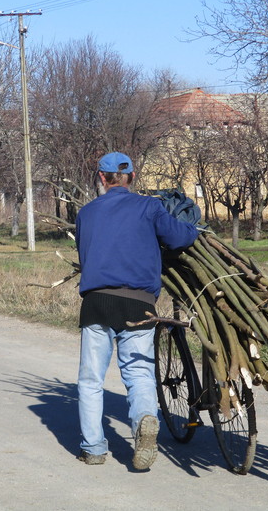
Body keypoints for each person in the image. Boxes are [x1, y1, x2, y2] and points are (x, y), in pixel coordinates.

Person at [74, 151, 199, 469]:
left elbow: (85, 254)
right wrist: (194, 229)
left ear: (102, 178)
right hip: (139, 303)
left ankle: (93, 449)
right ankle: (144, 418)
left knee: (91, 380)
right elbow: (178, 238)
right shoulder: (149, 207)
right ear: (132, 176)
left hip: (97, 302)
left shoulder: (86, 214)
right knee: (139, 374)